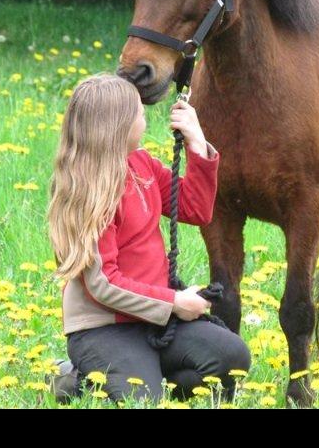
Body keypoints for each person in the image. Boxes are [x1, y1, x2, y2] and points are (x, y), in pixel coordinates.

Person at [46, 73, 250, 405]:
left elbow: (194, 207)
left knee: (231, 358)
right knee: (142, 400)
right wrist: (174, 302)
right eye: (140, 113)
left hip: (154, 318)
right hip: (104, 328)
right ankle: (77, 377)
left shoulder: (141, 164)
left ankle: (142, 371)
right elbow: (103, 284)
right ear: (117, 126)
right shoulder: (89, 192)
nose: (146, 118)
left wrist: (197, 143)